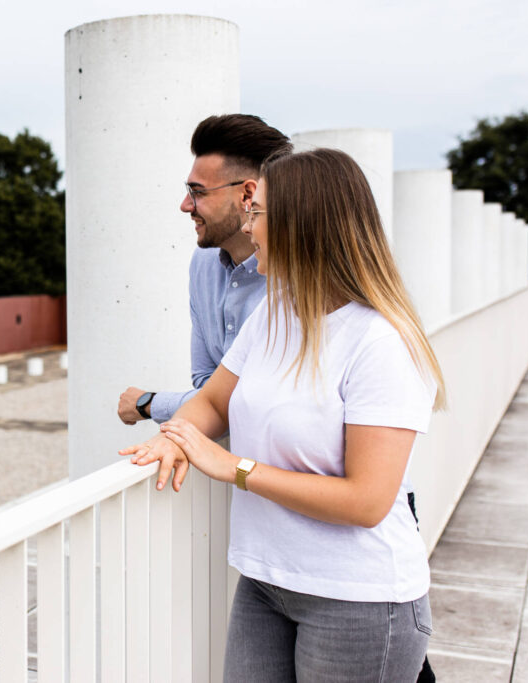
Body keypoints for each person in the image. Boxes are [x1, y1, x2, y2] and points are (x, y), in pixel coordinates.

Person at [121, 148, 446, 681]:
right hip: (266, 580)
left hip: (358, 600)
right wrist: (176, 437)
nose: (248, 229)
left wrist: (236, 469)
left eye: (258, 213)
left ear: (304, 225)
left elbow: (367, 501)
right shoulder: (277, 311)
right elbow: (215, 401)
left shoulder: (382, 342)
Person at [117, 114, 292, 425]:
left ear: (247, 195)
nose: (185, 205)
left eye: (198, 192)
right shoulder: (203, 264)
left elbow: (252, 399)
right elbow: (206, 383)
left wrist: (149, 403)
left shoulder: (299, 277)